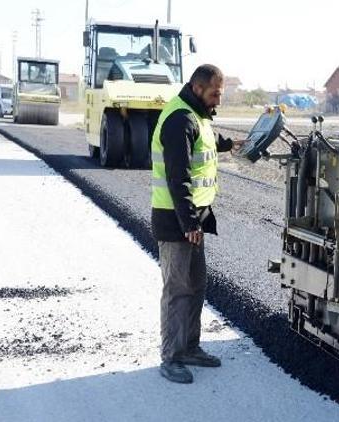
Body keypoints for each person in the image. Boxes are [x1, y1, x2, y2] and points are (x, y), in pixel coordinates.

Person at [150, 64, 243, 384]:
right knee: (177, 289)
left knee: (196, 284)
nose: (219, 99)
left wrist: (230, 144)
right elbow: (178, 178)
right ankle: (171, 357)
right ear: (198, 87)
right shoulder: (179, 119)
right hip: (176, 219)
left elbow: (205, 141)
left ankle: (190, 347)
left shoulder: (195, 116)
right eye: (215, 93)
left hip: (192, 219)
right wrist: (189, 222)